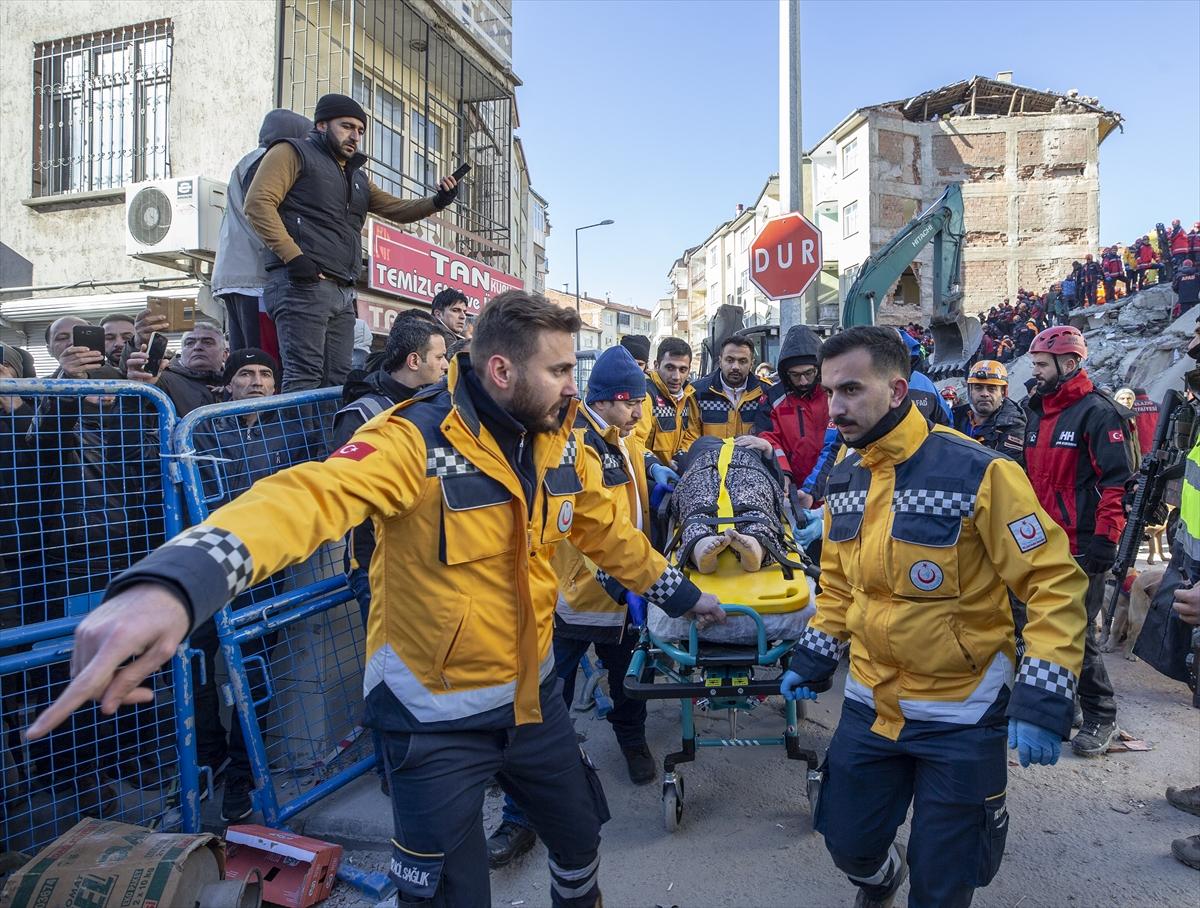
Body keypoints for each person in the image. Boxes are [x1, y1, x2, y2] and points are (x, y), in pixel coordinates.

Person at [27, 290, 726, 907]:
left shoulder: (555, 442)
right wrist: (178, 582)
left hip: (532, 700)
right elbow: (307, 497)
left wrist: (683, 593)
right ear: (503, 371)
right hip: (433, 721)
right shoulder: (410, 441)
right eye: (561, 371)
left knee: (578, 835)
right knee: (449, 890)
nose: (575, 389)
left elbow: (605, 533)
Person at [780, 326, 1086, 908]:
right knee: (848, 843)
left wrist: (1045, 694)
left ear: (897, 391)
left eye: (850, 390)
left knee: (944, 882)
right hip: (871, 704)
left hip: (962, 713)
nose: (834, 407)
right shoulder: (846, 476)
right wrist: (817, 650)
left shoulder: (980, 472)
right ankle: (878, 878)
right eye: (828, 392)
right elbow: (842, 583)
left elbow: (1052, 580)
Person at [488, 345, 667, 866]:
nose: (640, 414)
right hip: (575, 603)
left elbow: (625, 506)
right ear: (610, 400)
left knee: (629, 684)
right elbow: (579, 529)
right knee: (540, 708)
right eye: (634, 404)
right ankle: (520, 816)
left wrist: (653, 470)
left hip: (623, 600)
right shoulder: (573, 446)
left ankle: (632, 743)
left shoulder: (620, 438)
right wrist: (619, 583)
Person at [243, 93, 461, 393]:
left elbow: (397, 209)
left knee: (337, 380)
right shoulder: (292, 152)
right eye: (346, 126)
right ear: (321, 125)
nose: (355, 136)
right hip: (301, 283)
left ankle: (328, 441)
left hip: (342, 289)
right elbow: (258, 203)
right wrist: (294, 258)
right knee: (304, 376)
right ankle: (299, 442)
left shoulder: (356, 176)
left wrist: (438, 200)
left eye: (360, 130)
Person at [332, 311, 452, 796]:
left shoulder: (438, 408)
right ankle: (395, 775)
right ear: (414, 359)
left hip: (433, 566)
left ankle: (439, 765)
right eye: (441, 357)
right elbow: (346, 494)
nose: (447, 366)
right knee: (393, 681)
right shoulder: (362, 416)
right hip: (380, 570)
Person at [189, 348, 293, 821]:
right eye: (245, 374)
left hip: (267, 569)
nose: (256, 382)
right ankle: (205, 755)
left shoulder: (289, 426)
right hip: (210, 564)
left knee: (255, 670)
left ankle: (242, 774)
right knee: (194, 660)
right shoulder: (201, 426)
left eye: (265, 374)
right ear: (228, 384)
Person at [1024, 325, 1134, 758]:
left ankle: (1102, 718)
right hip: (1040, 546)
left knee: (1078, 634)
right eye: (1033, 364)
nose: (1034, 372)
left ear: (1069, 365)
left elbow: (1117, 483)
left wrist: (1106, 539)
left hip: (1082, 546)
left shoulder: (1098, 413)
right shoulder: (1037, 410)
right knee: (1038, 627)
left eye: (1040, 365)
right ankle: (1062, 705)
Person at [212, 109, 312, 358]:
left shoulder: (247, 162)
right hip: (257, 279)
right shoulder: (267, 161)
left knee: (245, 359)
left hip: (237, 275)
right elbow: (264, 211)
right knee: (262, 364)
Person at [672, 435, 789, 574]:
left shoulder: (755, 442)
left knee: (701, 505)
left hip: (744, 466)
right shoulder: (696, 446)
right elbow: (778, 484)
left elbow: (778, 484)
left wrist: (767, 448)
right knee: (751, 505)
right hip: (709, 466)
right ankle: (703, 547)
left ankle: (753, 546)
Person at [750, 325, 829, 487]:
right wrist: (783, 473)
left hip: (832, 481)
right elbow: (768, 437)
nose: (803, 381)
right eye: (795, 375)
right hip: (791, 485)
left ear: (819, 369)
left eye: (808, 373)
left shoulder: (833, 393)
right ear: (786, 373)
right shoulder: (773, 398)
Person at [127, 321, 228, 416]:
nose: (197, 347)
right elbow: (127, 425)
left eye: (207, 342)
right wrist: (136, 392)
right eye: (189, 343)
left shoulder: (235, 381)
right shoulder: (161, 381)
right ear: (182, 352)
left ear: (224, 354)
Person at [690, 336, 771, 439]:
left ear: (752, 364)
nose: (735, 367)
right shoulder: (698, 393)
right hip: (710, 455)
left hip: (753, 455)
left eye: (742, 361)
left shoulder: (765, 392)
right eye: (730, 360)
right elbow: (691, 438)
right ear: (720, 361)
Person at [638, 337, 699, 468]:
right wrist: (653, 466)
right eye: (670, 368)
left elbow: (691, 435)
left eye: (682, 370)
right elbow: (634, 441)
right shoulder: (645, 395)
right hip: (648, 477)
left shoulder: (688, 396)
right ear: (656, 365)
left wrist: (681, 456)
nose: (676, 377)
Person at [952, 360, 1026, 464]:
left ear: (1004, 392)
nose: (985, 394)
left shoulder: (1013, 426)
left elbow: (1005, 470)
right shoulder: (953, 417)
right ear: (969, 391)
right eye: (978, 388)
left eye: (992, 389)